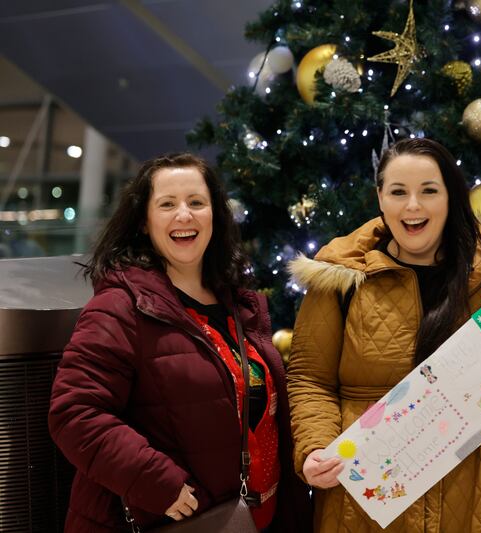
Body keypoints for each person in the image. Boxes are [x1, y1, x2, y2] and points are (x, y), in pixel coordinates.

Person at [286, 138, 481, 532]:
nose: (413, 206)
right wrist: (315, 447)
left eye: (428, 191)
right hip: (370, 497)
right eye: (398, 192)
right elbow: (310, 378)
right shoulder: (340, 277)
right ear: (380, 198)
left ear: (450, 197)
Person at [49, 153, 311, 532]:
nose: (184, 215)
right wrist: (157, 482)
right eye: (167, 204)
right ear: (144, 221)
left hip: (249, 520)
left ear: (214, 216)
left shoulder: (239, 304)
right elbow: (74, 412)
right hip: (171, 519)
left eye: (196, 203)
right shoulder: (119, 305)